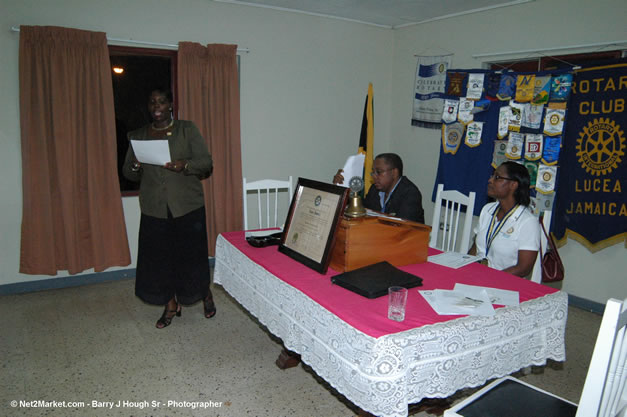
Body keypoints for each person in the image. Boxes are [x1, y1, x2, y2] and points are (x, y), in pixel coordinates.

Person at [123, 88, 216, 329]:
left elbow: (206, 162)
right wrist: (134, 165)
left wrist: (184, 165)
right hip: (155, 209)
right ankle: (170, 304)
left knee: (191, 257)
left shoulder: (186, 129)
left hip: (187, 207)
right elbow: (128, 173)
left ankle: (204, 294)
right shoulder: (140, 136)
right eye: (152, 102)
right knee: (159, 260)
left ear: (170, 105)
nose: (157, 106)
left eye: (162, 101)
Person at [470, 161, 540, 278]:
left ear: (513, 185)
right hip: (478, 276)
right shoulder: (487, 210)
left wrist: (492, 278)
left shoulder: (527, 222)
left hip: (504, 283)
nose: (490, 180)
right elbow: (475, 248)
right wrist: (465, 269)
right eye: (492, 176)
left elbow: (524, 268)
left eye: (497, 177)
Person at [333, 153, 425, 223]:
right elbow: (361, 209)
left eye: (379, 172)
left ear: (394, 173)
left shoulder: (410, 194)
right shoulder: (375, 189)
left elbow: (402, 228)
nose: (374, 176)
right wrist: (342, 189)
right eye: (373, 172)